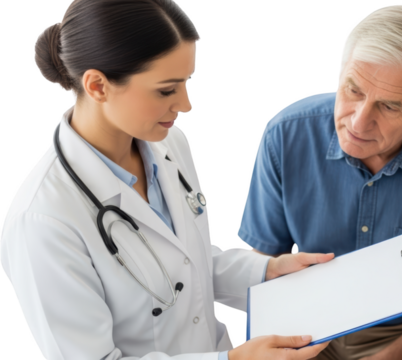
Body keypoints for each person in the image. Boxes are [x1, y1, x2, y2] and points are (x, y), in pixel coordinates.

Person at [0, 0, 334, 359]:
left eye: (186, 83)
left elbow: (184, 262)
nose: (186, 104)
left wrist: (268, 271)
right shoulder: (42, 220)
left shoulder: (169, 143)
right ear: (97, 86)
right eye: (166, 90)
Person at [238, 5, 402, 360]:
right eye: (353, 91)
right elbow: (265, 260)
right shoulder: (286, 135)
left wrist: (391, 357)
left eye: (389, 106)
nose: (358, 123)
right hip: (306, 324)